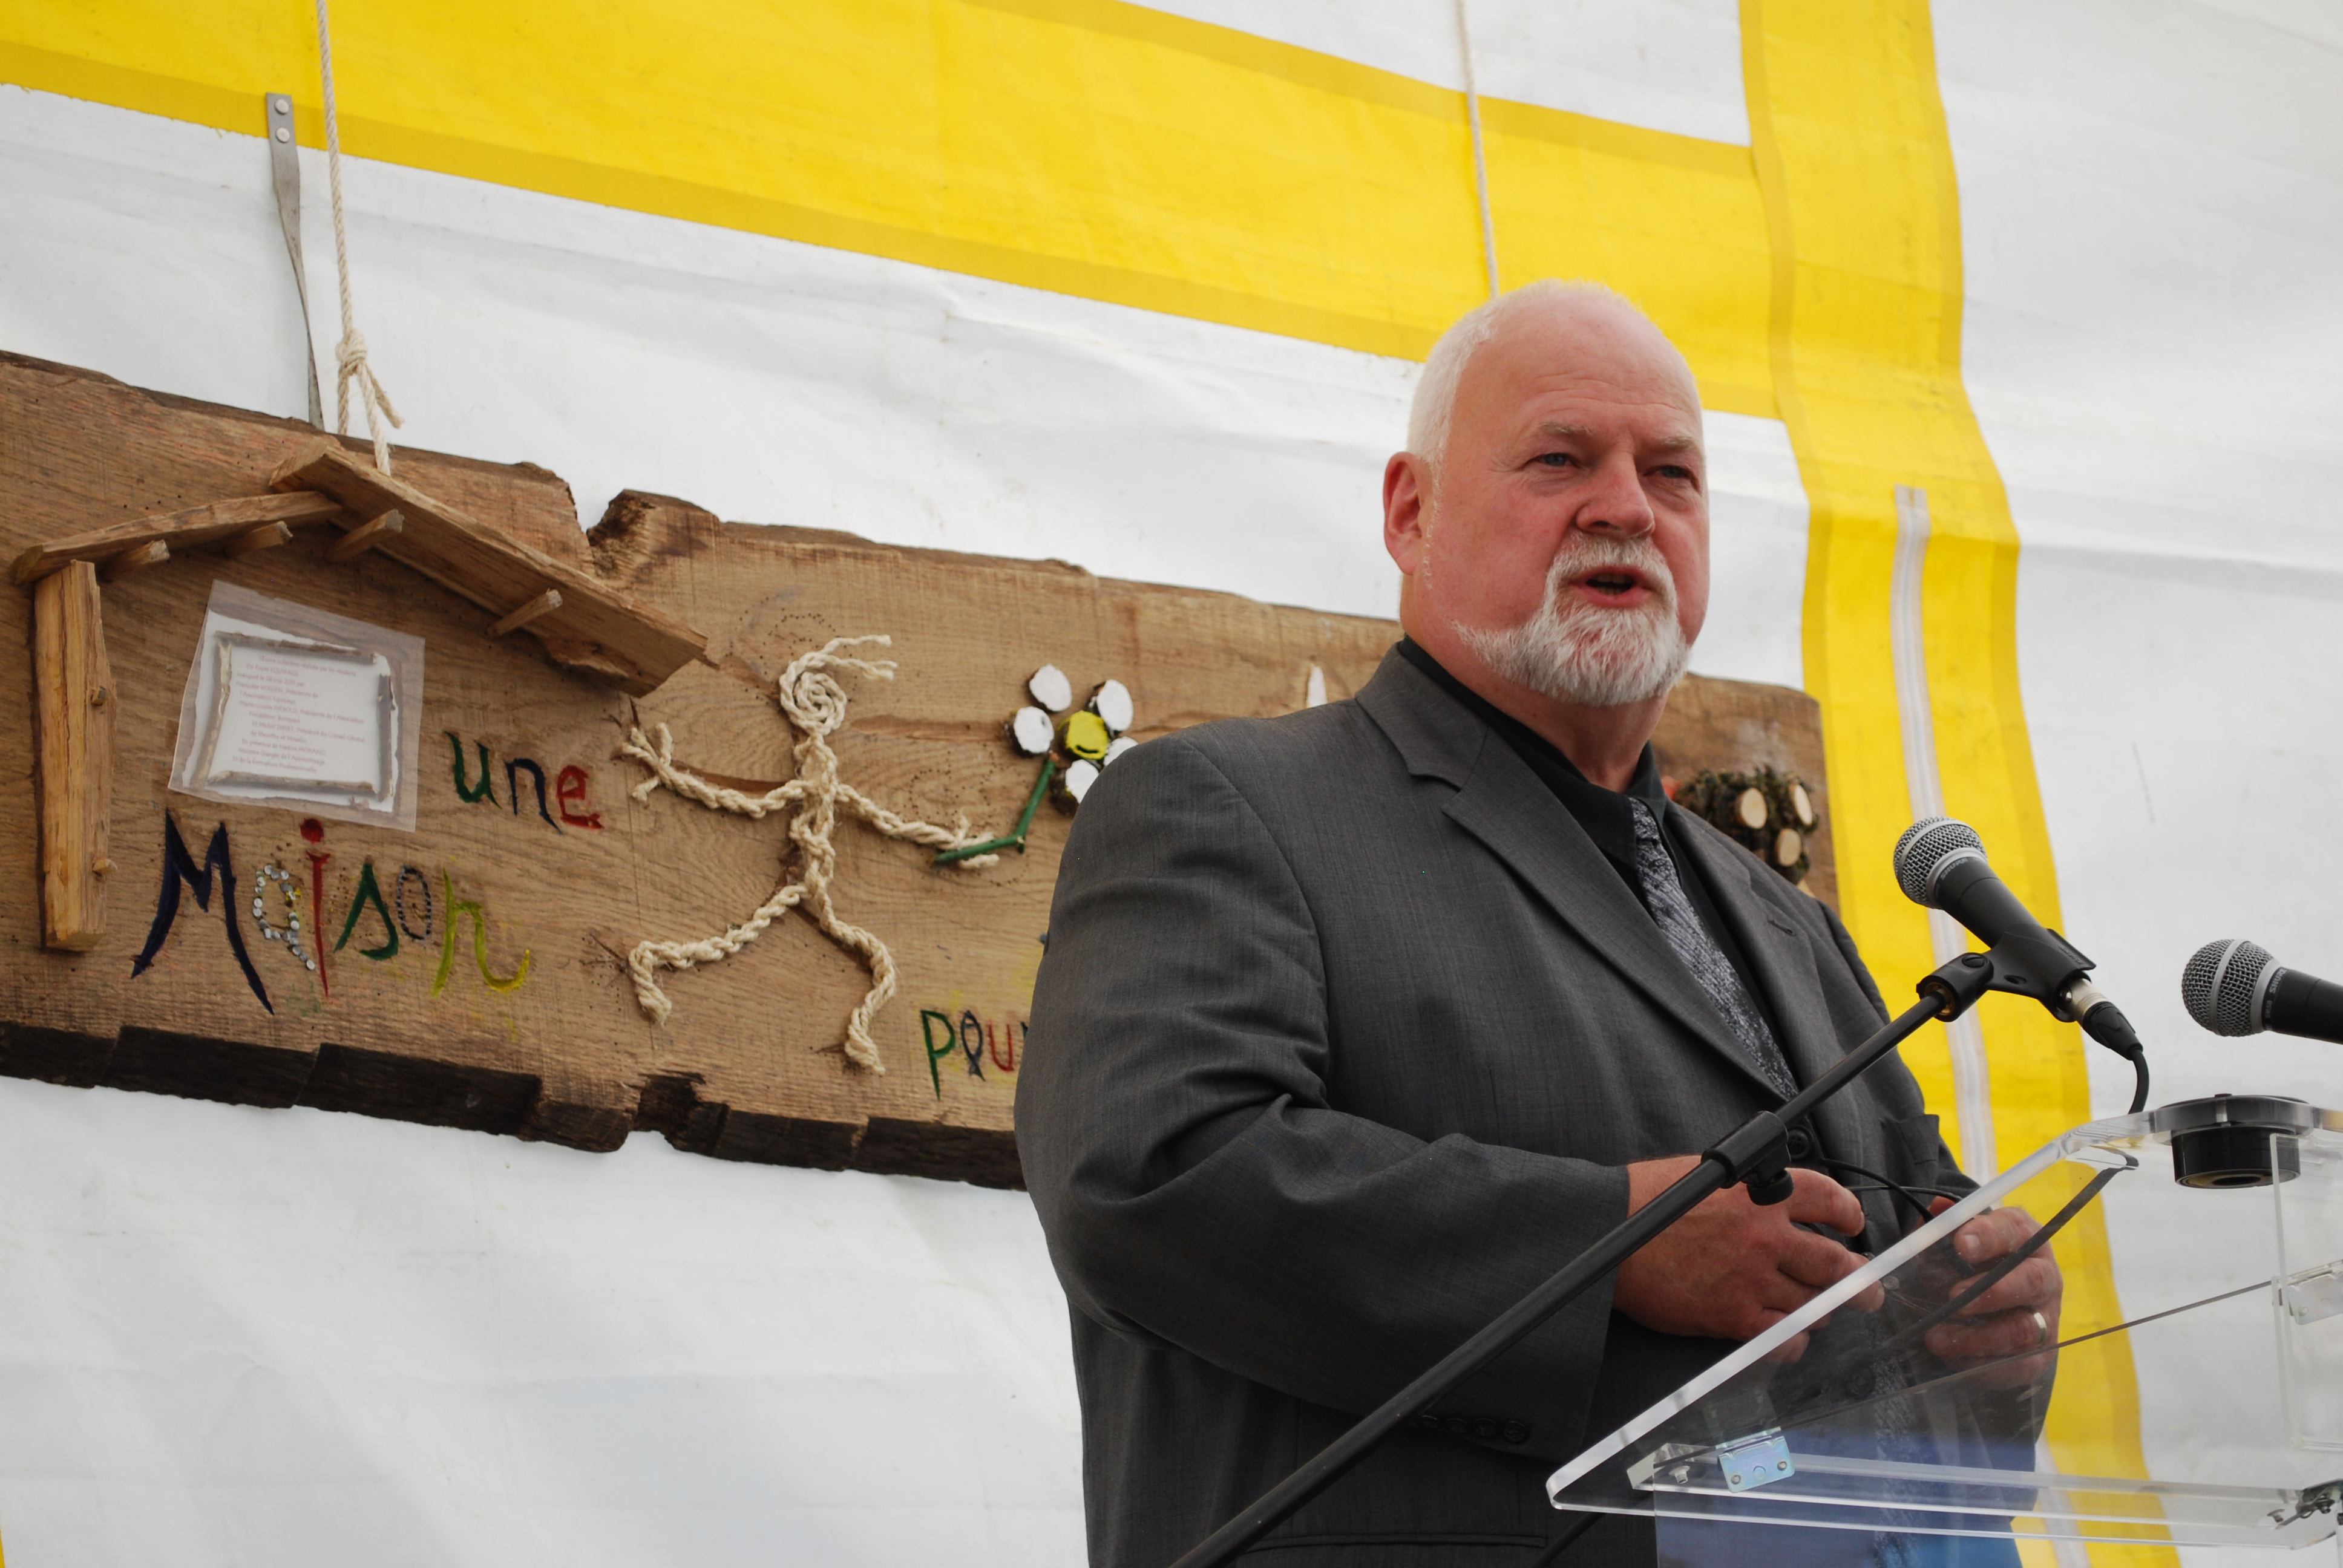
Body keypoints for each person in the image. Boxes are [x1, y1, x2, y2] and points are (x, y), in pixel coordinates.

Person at [1015, 281, 2061, 1568]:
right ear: (1412, 511)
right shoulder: (1230, 809)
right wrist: (1607, 1248)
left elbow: (1911, 1261)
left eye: (1671, 474)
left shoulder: (1784, 924)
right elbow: (1152, 1181)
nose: (1625, 504)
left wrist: (1986, 1323)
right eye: (1561, 459)